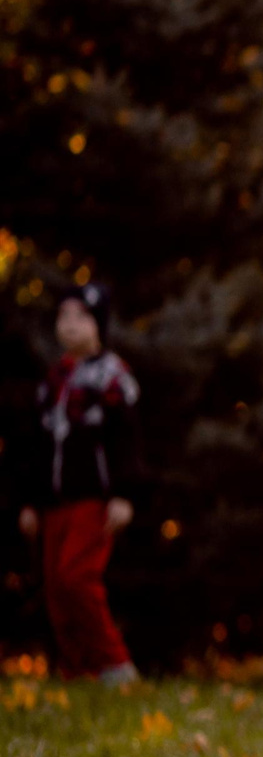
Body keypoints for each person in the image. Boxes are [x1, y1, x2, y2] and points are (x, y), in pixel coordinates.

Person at [15, 284, 141, 685]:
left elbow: (126, 441)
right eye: (63, 316)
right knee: (55, 588)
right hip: (54, 502)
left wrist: (123, 494)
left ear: (98, 325)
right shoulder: (53, 381)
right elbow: (35, 446)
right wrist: (30, 502)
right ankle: (77, 669)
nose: (69, 325)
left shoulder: (112, 377)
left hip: (94, 500)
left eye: (80, 317)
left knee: (77, 579)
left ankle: (115, 664)